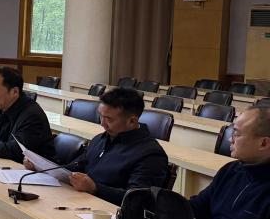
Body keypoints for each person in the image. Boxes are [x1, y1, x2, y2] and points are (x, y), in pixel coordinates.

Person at [27, 87, 168, 204]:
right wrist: (41, 167)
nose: (102, 123)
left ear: (132, 121)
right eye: (101, 116)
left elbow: (137, 200)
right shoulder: (100, 139)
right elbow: (76, 167)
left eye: (109, 119)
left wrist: (95, 188)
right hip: (82, 202)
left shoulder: (151, 154)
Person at [190, 107, 270, 219]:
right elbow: (199, 210)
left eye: (236, 134)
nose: (229, 139)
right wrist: (164, 208)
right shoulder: (231, 170)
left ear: (263, 143)